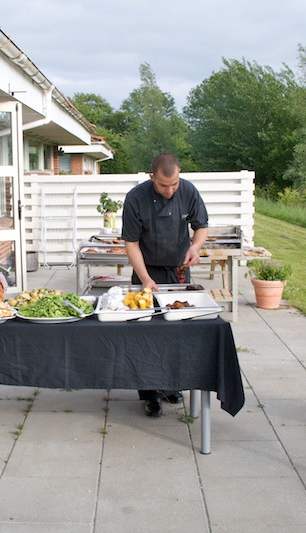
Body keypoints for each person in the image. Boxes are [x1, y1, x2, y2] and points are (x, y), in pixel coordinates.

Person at [121, 153, 209, 417]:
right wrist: (145, 278)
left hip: (178, 271)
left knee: (177, 332)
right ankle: (149, 392)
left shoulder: (188, 191)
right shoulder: (135, 198)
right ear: (152, 178)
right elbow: (131, 243)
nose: (170, 190)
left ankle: (173, 385)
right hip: (146, 271)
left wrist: (195, 247)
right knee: (147, 333)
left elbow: (201, 226)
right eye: (163, 185)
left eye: (174, 184)